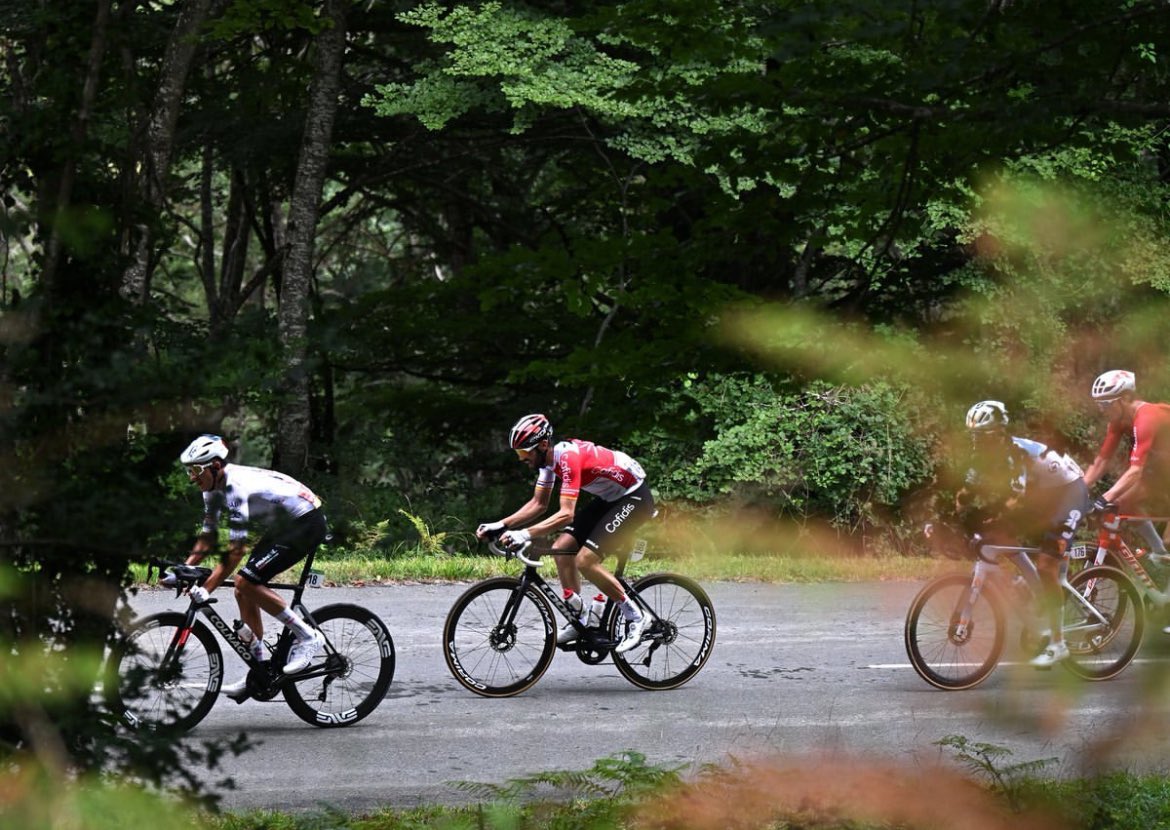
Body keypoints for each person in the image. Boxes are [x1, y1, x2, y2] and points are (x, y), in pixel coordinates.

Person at [475, 414, 655, 654]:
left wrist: (524, 534)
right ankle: (581, 621)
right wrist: (501, 525)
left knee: (585, 561)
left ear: (543, 445)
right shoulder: (548, 463)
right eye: (519, 453)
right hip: (611, 498)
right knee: (562, 549)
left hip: (634, 497)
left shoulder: (568, 459)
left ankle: (637, 617)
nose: (522, 458)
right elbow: (538, 504)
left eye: (524, 452)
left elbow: (566, 514)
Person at [177, 434, 328, 700]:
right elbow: (208, 537)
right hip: (284, 524)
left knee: (245, 581)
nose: (192, 477)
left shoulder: (234, 486)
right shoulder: (211, 488)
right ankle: (259, 671)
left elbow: (237, 550)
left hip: (306, 521)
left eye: (196, 470)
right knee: (243, 589)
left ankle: (308, 636)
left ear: (215, 466)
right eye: (189, 471)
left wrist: (207, 588)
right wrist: (184, 569)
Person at [957, 401, 1090, 668]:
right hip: (1041, 495)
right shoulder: (981, 455)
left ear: (996, 434)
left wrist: (987, 516)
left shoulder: (1014, 454)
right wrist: (958, 519)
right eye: (972, 436)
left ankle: (1058, 644)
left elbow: (1014, 499)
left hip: (1069, 492)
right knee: (998, 535)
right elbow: (965, 494)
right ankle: (1036, 588)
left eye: (980, 436)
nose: (975, 441)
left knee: (1047, 564)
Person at [1082, 369, 1170, 569]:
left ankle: (1163, 555)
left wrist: (1104, 498)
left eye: (1106, 404)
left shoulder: (1146, 418)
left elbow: (1135, 471)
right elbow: (1101, 460)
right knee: (1122, 503)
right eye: (1099, 404)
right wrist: (1079, 488)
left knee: (1169, 540)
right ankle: (1160, 555)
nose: (1102, 410)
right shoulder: (1119, 421)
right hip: (1162, 468)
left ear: (1125, 399)